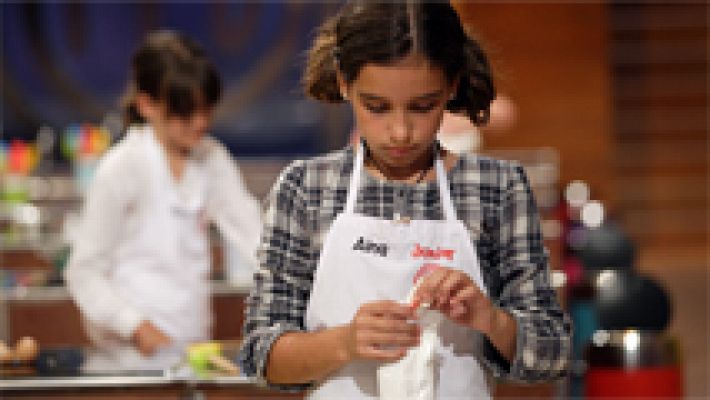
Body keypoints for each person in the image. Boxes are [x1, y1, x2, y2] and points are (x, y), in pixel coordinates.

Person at [239, 2, 571, 399]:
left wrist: (490, 319)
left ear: (452, 86)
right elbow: (261, 356)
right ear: (344, 84)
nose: (400, 131)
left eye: (422, 106)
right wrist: (344, 342)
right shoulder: (307, 188)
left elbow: (552, 354)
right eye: (376, 107)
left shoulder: (497, 187)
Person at [65, 30, 262, 372]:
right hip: (125, 364)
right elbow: (83, 273)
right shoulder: (123, 166)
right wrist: (134, 325)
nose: (200, 123)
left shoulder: (213, 159)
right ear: (146, 104)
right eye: (186, 113)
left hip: (192, 353)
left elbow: (255, 238)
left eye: (206, 110)